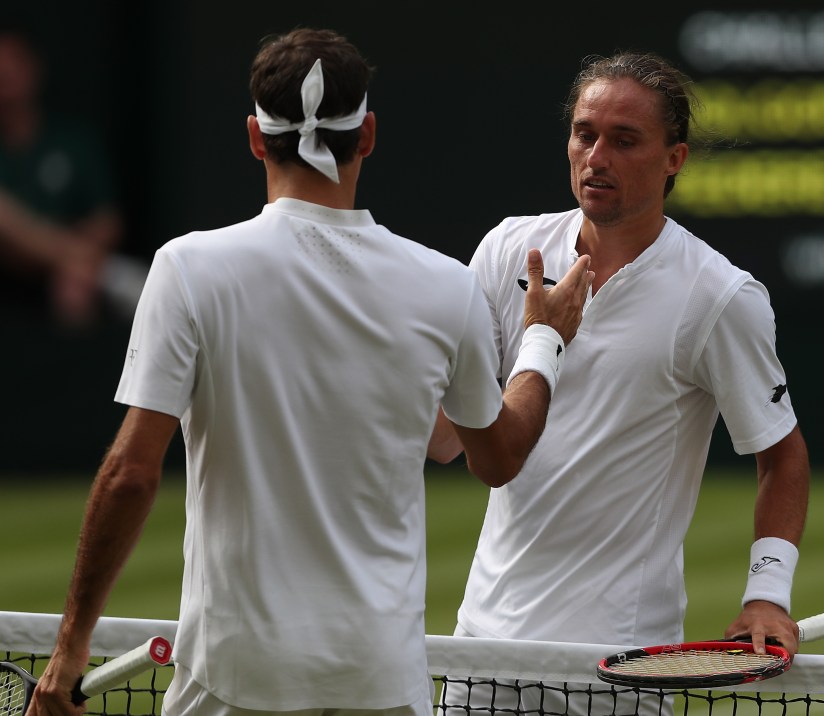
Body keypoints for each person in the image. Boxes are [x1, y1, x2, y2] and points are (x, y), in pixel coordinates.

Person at [26, 28, 593, 716]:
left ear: (256, 138)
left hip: (235, 676)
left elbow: (131, 472)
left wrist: (70, 646)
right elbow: (497, 457)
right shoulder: (446, 287)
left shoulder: (187, 268)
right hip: (377, 680)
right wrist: (543, 343)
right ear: (371, 134)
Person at [435, 51, 809, 714]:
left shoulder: (719, 296)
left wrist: (767, 595)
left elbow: (782, 456)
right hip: (482, 656)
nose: (596, 155)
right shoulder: (505, 251)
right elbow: (445, 439)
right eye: (585, 133)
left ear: (675, 159)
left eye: (624, 140)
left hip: (618, 673)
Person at [0, 23, 131, 327]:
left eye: (12, 63)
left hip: (61, 281)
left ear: (33, 67)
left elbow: (107, 222)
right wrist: (76, 257)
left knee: (75, 287)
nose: (4, 75)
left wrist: (65, 262)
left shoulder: (74, 142)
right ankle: (108, 273)